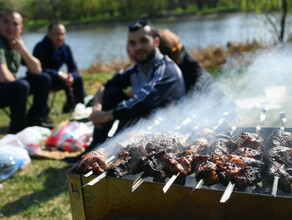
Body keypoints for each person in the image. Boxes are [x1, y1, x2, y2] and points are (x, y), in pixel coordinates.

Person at [65, 19, 186, 164]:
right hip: (143, 124)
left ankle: (110, 151)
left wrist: (107, 115)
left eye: (143, 41)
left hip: (167, 130)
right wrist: (97, 107)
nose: (138, 47)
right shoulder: (136, 69)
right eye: (133, 43)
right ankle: (96, 148)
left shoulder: (166, 69)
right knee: (112, 92)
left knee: (133, 107)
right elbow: (105, 86)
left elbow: (145, 102)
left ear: (156, 42)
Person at [0, 10, 52, 134]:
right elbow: (2, 76)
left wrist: (22, 50)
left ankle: (35, 121)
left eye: (15, 24)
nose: (10, 27)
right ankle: (18, 130)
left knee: (43, 79)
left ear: (21, 28)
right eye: (6, 22)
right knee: (21, 86)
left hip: (7, 88)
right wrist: (20, 85)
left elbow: (37, 69)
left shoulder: (16, 43)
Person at [33, 22, 85, 113]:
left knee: (78, 79)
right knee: (45, 78)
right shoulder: (40, 47)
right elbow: (39, 70)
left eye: (62, 34)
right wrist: (58, 74)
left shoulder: (65, 48)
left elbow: (73, 67)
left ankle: (80, 109)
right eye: (56, 34)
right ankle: (42, 114)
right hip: (44, 80)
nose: (60, 37)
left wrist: (71, 76)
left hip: (58, 79)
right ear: (49, 35)